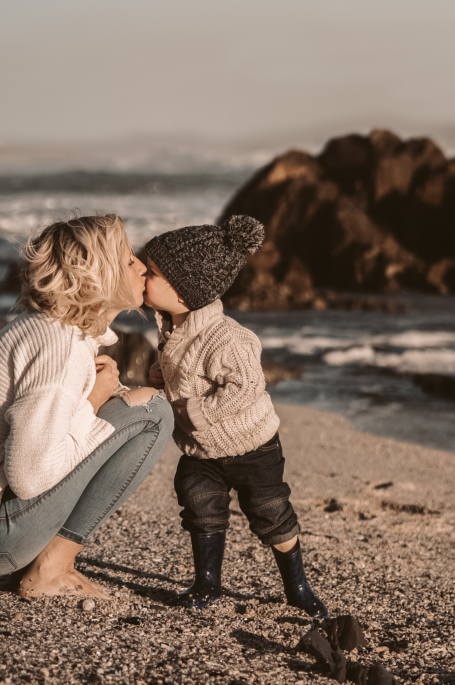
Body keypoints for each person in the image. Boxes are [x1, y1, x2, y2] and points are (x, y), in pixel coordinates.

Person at [0, 214, 173, 599]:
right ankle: (52, 568)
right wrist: (93, 401)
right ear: (97, 275)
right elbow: (30, 477)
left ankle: (46, 562)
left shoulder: (54, 328)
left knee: (131, 406)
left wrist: (95, 401)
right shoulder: (60, 346)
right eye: (127, 259)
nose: (141, 266)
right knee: (153, 414)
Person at [143, 215, 329, 619]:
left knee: (270, 512)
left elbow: (244, 385)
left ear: (184, 289)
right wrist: (160, 377)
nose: (142, 273)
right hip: (201, 448)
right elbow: (185, 371)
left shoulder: (227, 338)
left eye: (152, 272)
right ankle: (208, 581)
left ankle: (297, 585)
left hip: (252, 446)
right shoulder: (173, 325)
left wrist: (194, 410)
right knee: (198, 502)